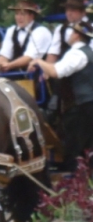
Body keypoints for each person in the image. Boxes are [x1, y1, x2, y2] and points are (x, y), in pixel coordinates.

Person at [29, 21, 93, 171]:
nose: (70, 35)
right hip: (87, 103)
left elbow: (56, 72)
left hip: (81, 106)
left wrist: (39, 61)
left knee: (76, 146)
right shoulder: (89, 52)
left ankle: (76, 182)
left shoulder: (77, 53)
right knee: (87, 145)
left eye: (72, 33)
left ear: (77, 35)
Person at [0, 0, 52, 73]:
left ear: (31, 16)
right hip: (15, 77)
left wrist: (9, 65)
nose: (19, 17)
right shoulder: (11, 30)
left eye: (22, 14)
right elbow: (5, 54)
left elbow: (29, 57)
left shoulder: (41, 31)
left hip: (37, 77)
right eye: (17, 14)